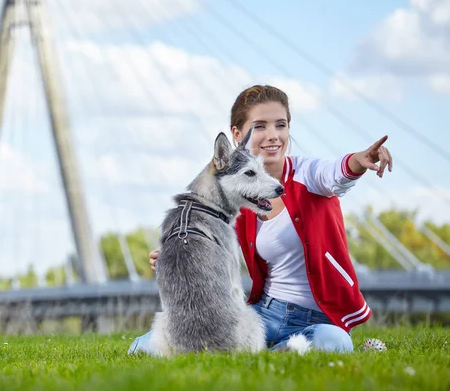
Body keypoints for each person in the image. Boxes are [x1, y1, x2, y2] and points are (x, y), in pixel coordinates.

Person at [128, 84, 392, 355]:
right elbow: (212, 241)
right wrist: (180, 253)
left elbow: (336, 174)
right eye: (261, 126)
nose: (273, 136)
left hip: (317, 320)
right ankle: (279, 351)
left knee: (336, 343)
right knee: (147, 347)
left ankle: (268, 351)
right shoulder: (236, 197)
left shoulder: (309, 175)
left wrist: (359, 161)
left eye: (281, 125)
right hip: (263, 313)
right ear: (238, 134)